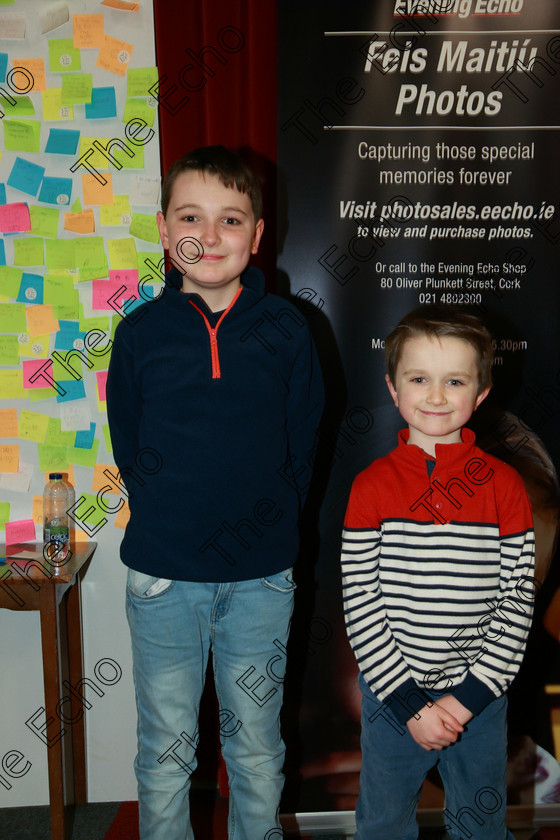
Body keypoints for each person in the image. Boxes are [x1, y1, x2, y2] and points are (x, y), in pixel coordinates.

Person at [106, 145, 324, 840]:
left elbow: (304, 443)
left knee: (256, 752)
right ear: (166, 233)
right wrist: (174, 515)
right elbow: (129, 443)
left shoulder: (290, 329)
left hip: (262, 578)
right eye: (191, 217)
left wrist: (268, 528)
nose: (210, 235)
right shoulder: (139, 334)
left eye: (231, 219)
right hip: (163, 578)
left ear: (258, 236)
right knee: (167, 752)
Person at [341, 305, 535, 840]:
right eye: (419, 379)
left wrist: (467, 697)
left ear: (481, 393)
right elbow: (361, 605)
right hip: (391, 698)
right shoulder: (370, 488)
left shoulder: (505, 486)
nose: (435, 396)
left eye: (454, 381)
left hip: (480, 697)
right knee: (382, 824)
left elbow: (517, 601)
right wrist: (410, 703)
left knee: (480, 825)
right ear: (393, 387)